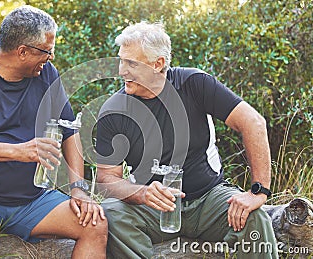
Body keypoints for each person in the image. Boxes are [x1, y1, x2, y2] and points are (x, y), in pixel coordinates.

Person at [96, 21, 278, 258]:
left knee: (254, 217)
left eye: (131, 63)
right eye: (121, 61)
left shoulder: (194, 83)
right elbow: (107, 178)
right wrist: (142, 193)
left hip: (208, 200)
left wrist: (258, 192)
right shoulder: (114, 111)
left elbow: (253, 123)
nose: (122, 70)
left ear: (157, 64)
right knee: (111, 213)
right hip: (152, 210)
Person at [0, 5, 107, 259]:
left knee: (95, 224)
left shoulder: (47, 75)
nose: (50, 58)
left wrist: (78, 188)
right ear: (23, 51)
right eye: (46, 51)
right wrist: (19, 151)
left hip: (31, 200)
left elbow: (69, 131)